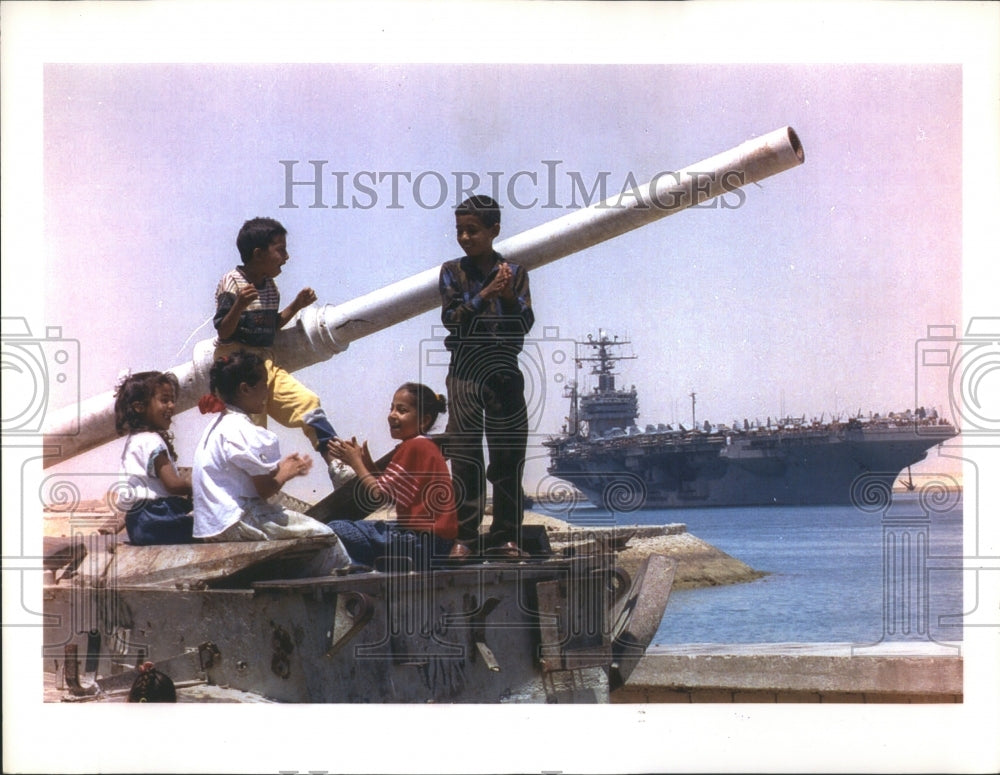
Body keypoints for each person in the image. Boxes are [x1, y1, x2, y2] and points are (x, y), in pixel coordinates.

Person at [213, 216, 349, 484]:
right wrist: (239, 305)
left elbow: (270, 325)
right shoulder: (232, 282)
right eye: (280, 250)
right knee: (252, 431)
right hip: (237, 370)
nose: (286, 257)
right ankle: (252, 490)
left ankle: (336, 464)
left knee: (307, 403)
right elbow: (223, 330)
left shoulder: (271, 288)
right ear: (258, 253)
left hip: (264, 365)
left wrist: (296, 305)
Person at [191, 350, 351, 572]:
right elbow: (264, 490)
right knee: (327, 537)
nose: (268, 391)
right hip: (239, 522)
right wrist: (287, 471)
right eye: (264, 384)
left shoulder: (219, 426)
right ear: (245, 389)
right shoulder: (243, 429)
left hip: (212, 525)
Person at [438, 195, 533, 559]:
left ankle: (507, 536)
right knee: (465, 455)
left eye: (472, 230)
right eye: (460, 230)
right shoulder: (451, 271)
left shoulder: (516, 273)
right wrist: (486, 294)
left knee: (508, 455)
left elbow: (524, 322)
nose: (464, 237)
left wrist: (507, 297)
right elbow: (452, 318)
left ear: (494, 230)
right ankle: (465, 536)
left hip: (504, 373)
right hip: (465, 371)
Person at [326, 383, 458, 568]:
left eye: (401, 410)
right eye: (392, 408)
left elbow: (380, 494)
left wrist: (357, 464)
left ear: (424, 420)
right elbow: (395, 491)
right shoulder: (423, 445)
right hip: (435, 544)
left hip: (422, 543)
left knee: (336, 528)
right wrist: (366, 465)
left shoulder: (414, 446)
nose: (392, 415)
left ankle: (362, 567)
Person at [114, 370, 194, 545]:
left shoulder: (134, 440)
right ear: (139, 407)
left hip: (138, 523)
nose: (172, 405)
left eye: (172, 400)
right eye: (164, 400)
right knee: (209, 525)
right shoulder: (152, 441)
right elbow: (172, 484)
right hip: (159, 517)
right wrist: (198, 486)